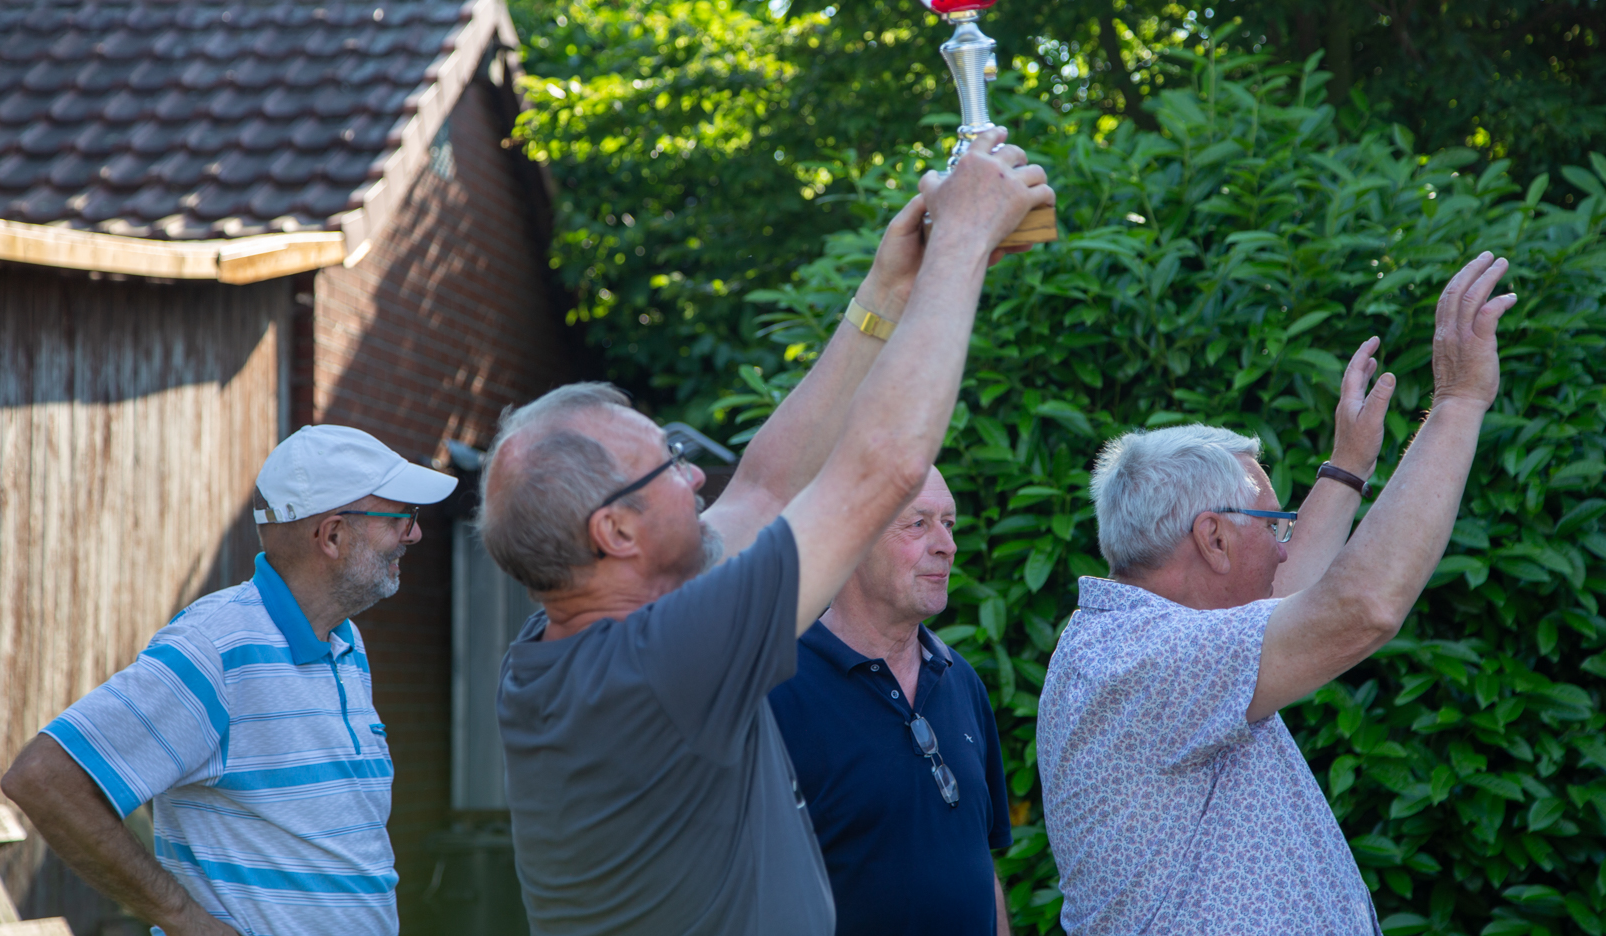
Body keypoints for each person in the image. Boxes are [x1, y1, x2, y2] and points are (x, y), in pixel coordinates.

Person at [478, 130, 1053, 935]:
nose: (694, 479)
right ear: (616, 533)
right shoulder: (658, 668)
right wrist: (961, 242)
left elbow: (766, 487)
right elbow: (883, 469)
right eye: (668, 465)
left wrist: (888, 290)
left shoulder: (570, 648)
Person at [1035, 254, 1517, 935]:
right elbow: (1357, 609)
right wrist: (1459, 404)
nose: (1284, 546)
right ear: (1214, 539)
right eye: (1272, 525)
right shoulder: (1138, 659)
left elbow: (1288, 597)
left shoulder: (1145, 641)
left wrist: (1348, 466)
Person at [1, 425, 456, 936]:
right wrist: (185, 920)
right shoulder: (216, 648)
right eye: (400, 517)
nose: (414, 534)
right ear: (332, 536)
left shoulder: (344, 644)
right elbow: (44, 778)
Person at [769, 466, 1013, 936]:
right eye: (918, 523)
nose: (947, 545)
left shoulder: (961, 679)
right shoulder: (778, 690)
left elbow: (977, 858)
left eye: (949, 523)